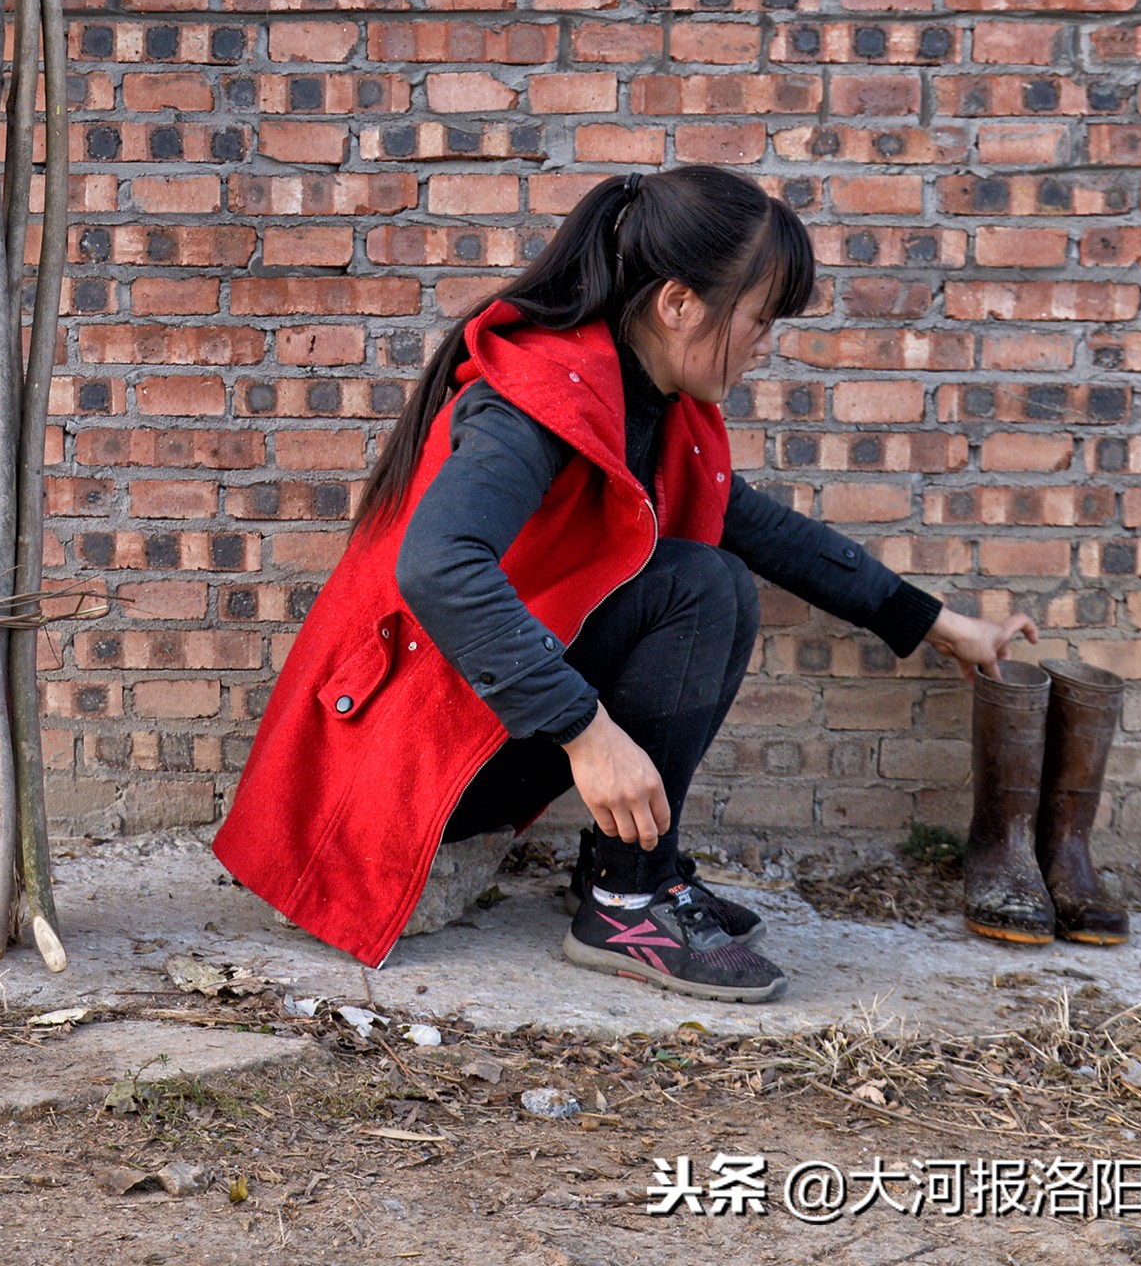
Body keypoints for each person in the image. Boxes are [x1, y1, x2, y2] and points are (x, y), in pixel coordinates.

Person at [211, 165, 1037, 1002]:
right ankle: (627, 899)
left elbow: (757, 527)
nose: (763, 345)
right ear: (679, 304)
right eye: (757, 320)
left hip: (457, 733)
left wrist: (940, 625)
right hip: (387, 777)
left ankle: (633, 875)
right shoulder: (538, 398)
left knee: (710, 573)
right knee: (700, 586)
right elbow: (437, 564)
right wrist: (585, 733)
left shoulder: (643, 399)